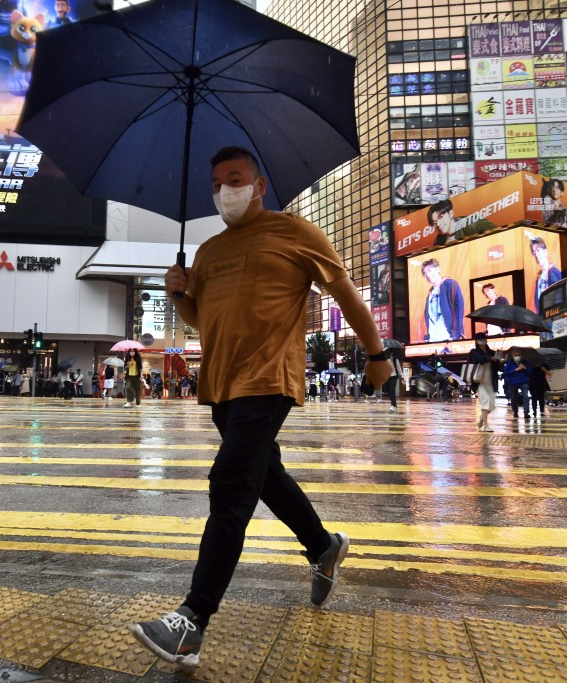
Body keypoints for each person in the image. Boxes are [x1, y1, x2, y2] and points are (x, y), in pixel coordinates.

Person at [130, 146, 390, 671]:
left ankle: (191, 621)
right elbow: (204, 322)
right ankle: (322, 546)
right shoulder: (206, 251)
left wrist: (378, 354)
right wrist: (177, 293)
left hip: (270, 378)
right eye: (217, 183)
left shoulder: (297, 233)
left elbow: (345, 295)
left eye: (236, 179)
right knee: (264, 474)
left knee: (230, 484)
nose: (226, 190)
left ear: (259, 184)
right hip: (221, 386)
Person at [421, 258, 465, 342]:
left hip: (449, 336)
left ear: (438, 269)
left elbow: (459, 308)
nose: (428, 275)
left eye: (429, 271)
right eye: (425, 274)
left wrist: (457, 333)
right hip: (434, 338)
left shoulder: (450, 284)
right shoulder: (430, 293)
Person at [429, 199, 497, 247]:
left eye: (441, 217)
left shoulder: (472, 224)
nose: (438, 224)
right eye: (434, 222)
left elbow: (498, 234)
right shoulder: (438, 241)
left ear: (451, 214)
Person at [468, 332, 499, 431]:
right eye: (481, 339)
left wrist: (498, 358)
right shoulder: (474, 352)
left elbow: (499, 366)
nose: (483, 341)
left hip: (491, 381)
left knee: (491, 404)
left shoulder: (491, 352)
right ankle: (486, 425)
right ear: (477, 341)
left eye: (484, 339)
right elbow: (480, 358)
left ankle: (482, 418)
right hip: (480, 381)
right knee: (485, 401)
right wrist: (491, 358)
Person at [530, 239, 562, 313]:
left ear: (545, 252)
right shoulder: (539, 277)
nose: (536, 255)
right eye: (534, 253)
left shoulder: (553, 272)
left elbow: (559, 300)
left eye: (538, 250)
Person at [502, 350, 532, 418]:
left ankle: (526, 413)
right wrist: (516, 369)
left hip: (523, 381)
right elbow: (506, 373)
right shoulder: (509, 363)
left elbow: (530, 373)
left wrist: (525, 368)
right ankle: (515, 411)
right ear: (512, 356)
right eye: (515, 355)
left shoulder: (525, 362)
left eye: (518, 355)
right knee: (514, 397)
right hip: (513, 382)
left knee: (525, 396)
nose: (517, 357)